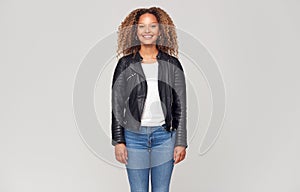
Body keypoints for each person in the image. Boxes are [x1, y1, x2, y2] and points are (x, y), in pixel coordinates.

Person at [111, 7, 187, 192]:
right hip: (133, 137)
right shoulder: (125, 64)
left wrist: (180, 142)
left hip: (164, 136)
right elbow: (117, 105)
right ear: (135, 31)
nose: (147, 31)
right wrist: (119, 140)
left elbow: (181, 106)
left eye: (153, 26)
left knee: (161, 190)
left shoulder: (172, 63)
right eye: (142, 27)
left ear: (160, 30)